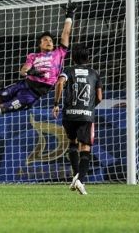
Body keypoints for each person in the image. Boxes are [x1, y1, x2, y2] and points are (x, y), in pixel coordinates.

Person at [0, 1, 77, 123]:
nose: (49, 42)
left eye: (50, 40)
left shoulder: (58, 53)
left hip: (30, 95)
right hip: (21, 85)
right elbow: (23, 71)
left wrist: (69, 15)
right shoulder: (33, 56)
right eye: (45, 40)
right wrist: (32, 71)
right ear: (40, 44)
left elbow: (66, 33)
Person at [52, 44, 103, 195]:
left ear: (73, 58)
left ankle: (75, 175)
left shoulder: (68, 71)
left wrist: (56, 104)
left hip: (70, 114)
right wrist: (90, 106)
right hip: (86, 114)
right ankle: (80, 179)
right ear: (88, 58)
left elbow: (60, 82)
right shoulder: (94, 73)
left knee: (72, 143)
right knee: (85, 148)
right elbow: (100, 97)